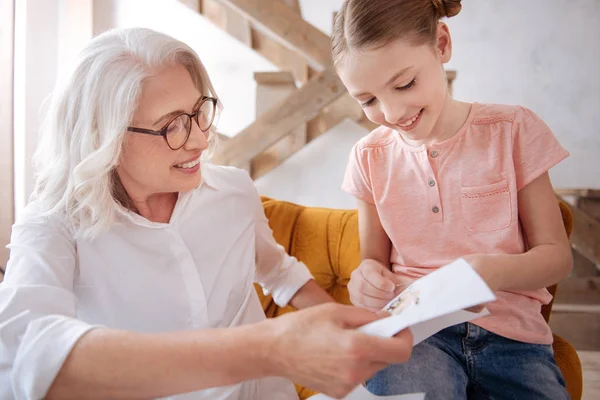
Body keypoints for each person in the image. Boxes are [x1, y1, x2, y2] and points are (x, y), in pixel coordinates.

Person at [0, 27, 413, 400]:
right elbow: (23, 356)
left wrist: (346, 334)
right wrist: (268, 350)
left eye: (199, 111)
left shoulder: (232, 190)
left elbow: (277, 271)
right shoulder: (53, 225)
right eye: (172, 125)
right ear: (103, 137)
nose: (200, 139)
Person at [331, 0, 573, 398]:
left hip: (514, 339)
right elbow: (372, 262)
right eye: (368, 100)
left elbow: (557, 258)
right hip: (416, 339)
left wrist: (485, 271)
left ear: (441, 45)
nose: (392, 111)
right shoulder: (369, 156)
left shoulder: (512, 130)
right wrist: (365, 281)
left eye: (405, 84)